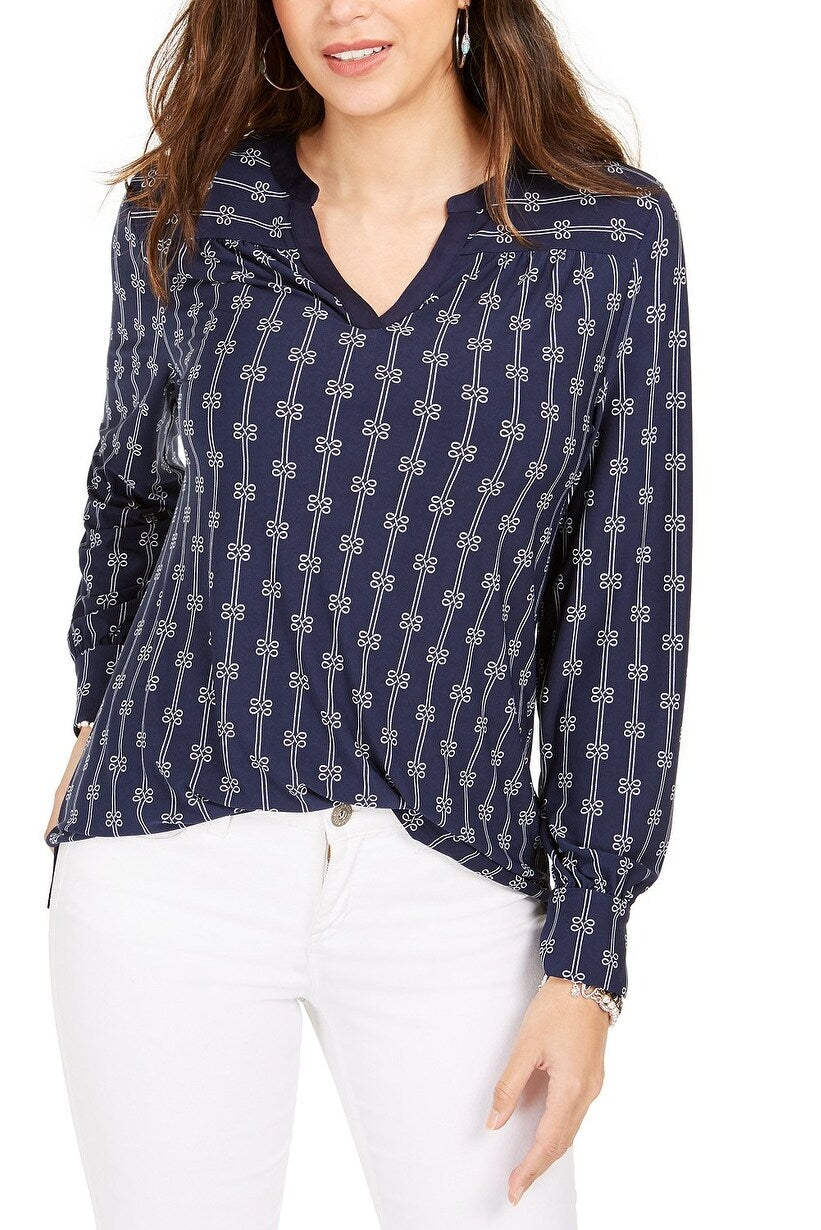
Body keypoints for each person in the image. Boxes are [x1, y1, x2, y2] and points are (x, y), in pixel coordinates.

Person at [44, 1, 692, 1226]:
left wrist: (589, 958)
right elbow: (133, 483)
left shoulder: (605, 238)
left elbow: (628, 595)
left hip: (457, 869)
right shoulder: (188, 211)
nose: (344, 10)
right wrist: (96, 707)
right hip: (170, 851)